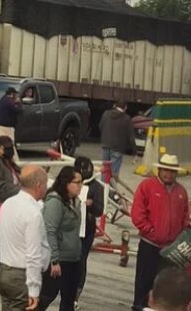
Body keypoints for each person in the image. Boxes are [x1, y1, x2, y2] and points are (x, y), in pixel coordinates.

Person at [131, 153, 191, 311]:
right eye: (165, 170)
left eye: (172, 171)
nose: (168, 174)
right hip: (149, 245)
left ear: (176, 173)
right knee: (143, 284)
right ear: (159, 170)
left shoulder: (181, 191)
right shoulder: (147, 186)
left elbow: (185, 217)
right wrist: (150, 230)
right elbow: (137, 213)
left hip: (170, 249)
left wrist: (180, 237)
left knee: (164, 288)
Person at [0, 165, 51, 311]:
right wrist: (34, 289)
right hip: (21, 276)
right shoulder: (33, 213)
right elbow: (33, 255)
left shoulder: (8, 203)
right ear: (38, 185)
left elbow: (2, 238)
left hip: (4, 270)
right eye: (45, 184)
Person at [39, 166, 84, 311]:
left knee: (69, 300)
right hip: (59, 260)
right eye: (77, 182)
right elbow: (50, 231)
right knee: (46, 296)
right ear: (66, 183)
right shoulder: (55, 202)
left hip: (73, 259)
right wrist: (54, 260)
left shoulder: (75, 201)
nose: (80, 186)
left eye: (81, 182)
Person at [74, 156, 104, 302]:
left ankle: (76, 293)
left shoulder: (96, 187)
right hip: (71, 227)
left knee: (81, 260)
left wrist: (92, 204)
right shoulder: (70, 181)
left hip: (86, 229)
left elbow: (100, 210)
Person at [99, 100, 135, 180]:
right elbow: (131, 136)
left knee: (105, 170)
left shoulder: (106, 114)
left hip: (105, 146)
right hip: (118, 148)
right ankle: (111, 187)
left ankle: (103, 186)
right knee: (113, 174)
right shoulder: (127, 118)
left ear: (115, 105)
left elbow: (100, 126)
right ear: (125, 107)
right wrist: (134, 152)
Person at [0, 88, 22, 160]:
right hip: (8, 127)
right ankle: (14, 159)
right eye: (14, 94)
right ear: (12, 94)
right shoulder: (9, 102)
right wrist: (18, 103)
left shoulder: (1, 100)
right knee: (9, 143)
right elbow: (18, 111)